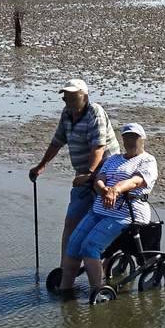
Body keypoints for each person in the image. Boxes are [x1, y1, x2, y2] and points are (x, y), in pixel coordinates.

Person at [56, 123, 158, 299]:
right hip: (100, 210)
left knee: (90, 246)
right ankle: (65, 288)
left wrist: (116, 189)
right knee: (74, 244)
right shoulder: (113, 159)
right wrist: (102, 188)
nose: (130, 140)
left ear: (142, 140)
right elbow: (100, 178)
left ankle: (97, 291)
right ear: (123, 140)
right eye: (127, 137)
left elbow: (135, 181)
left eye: (135, 137)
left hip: (127, 213)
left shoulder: (147, 160)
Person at [29, 80, 117, 250]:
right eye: (64, 98)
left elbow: (99, 147)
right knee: (71, 221)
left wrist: (88, 174)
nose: (66, 101)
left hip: (106, 175)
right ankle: (65, 268)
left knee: (102, 223)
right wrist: (40, 167)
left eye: (70, 97)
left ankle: (105, 266)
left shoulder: (95, 112)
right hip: (83, 175)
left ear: (85, 97)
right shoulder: (67, 113)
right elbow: (57, 141)